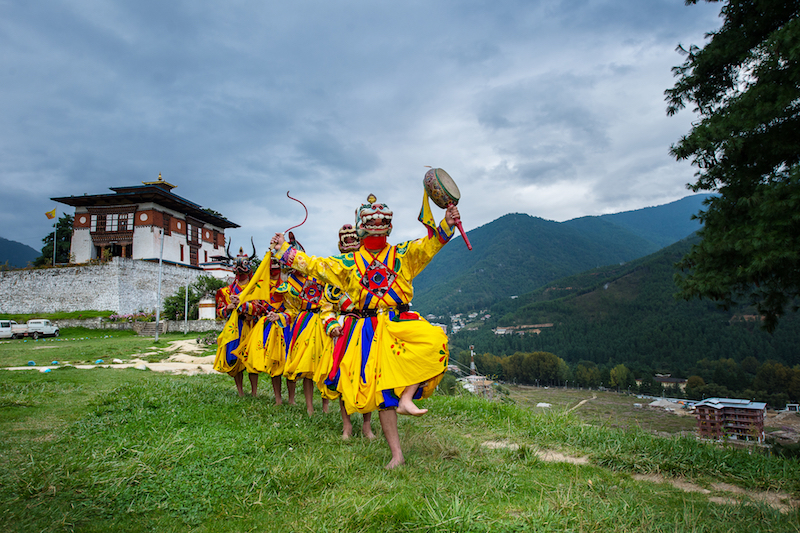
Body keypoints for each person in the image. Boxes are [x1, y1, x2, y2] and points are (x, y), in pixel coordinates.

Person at [271, 194, 460, 468]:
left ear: (390, 226)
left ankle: (406, 398)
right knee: (382, 393)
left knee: (436, 343)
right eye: (373, 220)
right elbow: (315, 265)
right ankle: (397, 454)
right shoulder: (347, 264)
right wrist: (283, 251)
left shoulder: (402, 254)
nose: (378, 223)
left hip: (399, 321)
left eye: (384, 220)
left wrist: (447, 222)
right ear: (362, 225)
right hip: (368, 330)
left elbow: (429, 245)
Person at [321, 224, 374, 439]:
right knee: (344, 377)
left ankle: (367, 426)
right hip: (346, 331)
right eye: (346, 243)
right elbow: (326, 307)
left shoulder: (371, 271)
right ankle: (347, 426)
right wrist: (332, 324)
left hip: (369, 328)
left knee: (367, 375)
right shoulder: (335, 277)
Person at [280, 233, 335, 416]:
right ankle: (310, 407)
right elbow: (290, 310)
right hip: (302, 323)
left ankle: (325, 405)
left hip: (321, 320)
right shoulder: (289, 283)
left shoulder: (318, 276)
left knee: (324, 363)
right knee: (306, 367)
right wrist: (281, 318)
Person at [237, 252, 296, 405]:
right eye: (273, 265)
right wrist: (241, 304)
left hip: (287, 325)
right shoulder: (261, 287)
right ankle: (278, 399)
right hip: (268, 327)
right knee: (273, 363)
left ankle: (291, 399)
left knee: (288, 362)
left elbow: (295, 306)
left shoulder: (290, 285)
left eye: (278, 265)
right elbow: (255, 308)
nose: (275, 269)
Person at [213, 240, 267, 397]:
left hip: (251, 326)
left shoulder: (255, 288)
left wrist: (246, 307)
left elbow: (261, 308)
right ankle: (240, 391)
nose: (239, 272)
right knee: (234, 359)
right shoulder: (226, 291)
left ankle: (254, 392)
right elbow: (219, 312)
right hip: (234, 327)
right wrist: (227, 308)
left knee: (251, 361)